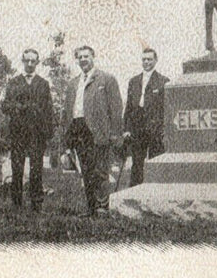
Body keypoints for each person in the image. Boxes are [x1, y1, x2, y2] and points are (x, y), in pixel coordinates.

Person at [62, 45, 124, 217]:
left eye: (86, 56)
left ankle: (102, 207)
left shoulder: (106, 79)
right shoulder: (73, 83)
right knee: (87, 171)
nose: (83, 59)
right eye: (80, 57)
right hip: (79, 129)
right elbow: (67, 111)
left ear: (93, 56)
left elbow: (116, 108)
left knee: (101, 171)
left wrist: (114, 134)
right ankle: (91, 208)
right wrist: (67, 135)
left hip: (98, 131)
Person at [0, 48, 55, 212]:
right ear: (23, 62)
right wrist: (18, 107)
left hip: (37, 134)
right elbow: (5, 106)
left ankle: (36, 204)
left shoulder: (43, 84)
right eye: (27, 60)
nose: (30, 64)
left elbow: (49, 110)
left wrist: (48, 132)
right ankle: (17, 204)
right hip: (18, 132)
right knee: (17, 169)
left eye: (33, 61)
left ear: (37, 63)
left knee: (36, 169)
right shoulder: (14, 82)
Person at [123, 47, 169, 187]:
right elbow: (129, 108)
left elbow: (166, 109)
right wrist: (126, 128)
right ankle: (135, 191)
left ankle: (157, 191)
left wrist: (163, 129)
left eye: (149, 59)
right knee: (137, 163)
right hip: (137, 128)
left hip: (155, 128)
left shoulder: (163, 81)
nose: (146, 62)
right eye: (144, 59)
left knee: (155, 160)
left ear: (155, 60)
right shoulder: (134, 81)